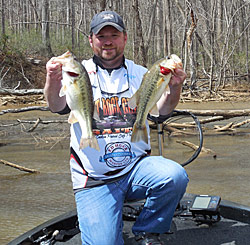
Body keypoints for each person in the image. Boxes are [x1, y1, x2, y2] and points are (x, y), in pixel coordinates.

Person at [44, 10, 189, 245]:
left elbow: (162, 111)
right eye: (101, 36)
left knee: (174, 176)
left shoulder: (141, 73)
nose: (108, 41)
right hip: (94, 179)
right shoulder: (78, 72)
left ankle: (148, 230)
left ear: (125, 38)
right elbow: (56, 105)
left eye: (114, 34)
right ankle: (105, 219)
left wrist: (174, 88)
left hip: (135, 170)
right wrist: (52, 77)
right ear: (91, 40)